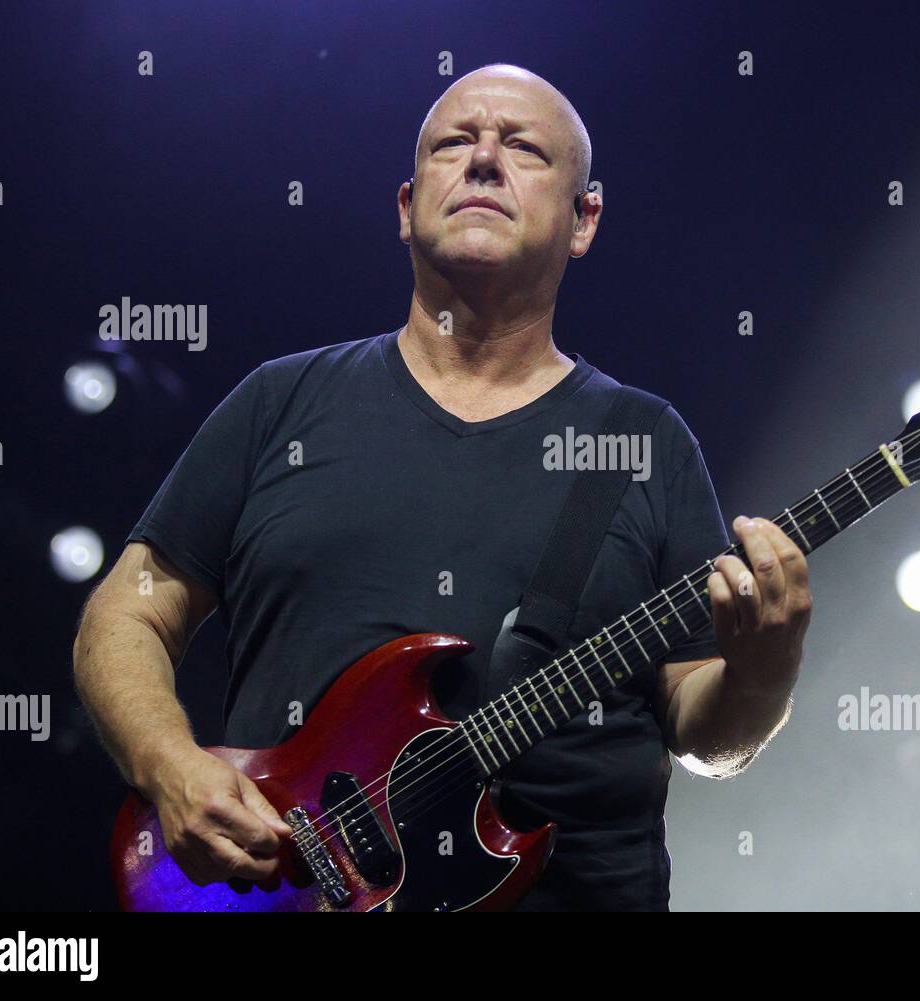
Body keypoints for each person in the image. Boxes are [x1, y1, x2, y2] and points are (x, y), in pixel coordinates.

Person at [72, 63, 812, 911]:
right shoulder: (280, 401)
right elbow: (127, 609)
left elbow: (697, 722)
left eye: (525, 147)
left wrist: (764, 670)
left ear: (585, 220)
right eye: (454, 142)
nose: (485, 160)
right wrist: (167, 762)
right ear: (404, 205)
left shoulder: (643, 443)